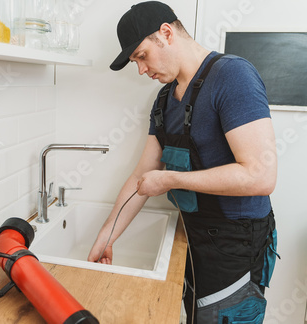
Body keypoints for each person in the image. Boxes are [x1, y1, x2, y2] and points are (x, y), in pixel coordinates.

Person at [87, 1, 279, 323]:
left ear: (166, 33)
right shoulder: (164, 99)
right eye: (136, 62)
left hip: (236, 246)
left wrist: (171, 180)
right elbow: (143, 176)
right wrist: (106, 239)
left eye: (142, 56)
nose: (142, 70)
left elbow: (260, 176)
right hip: (194, 237)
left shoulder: (233, 76)